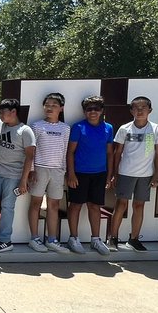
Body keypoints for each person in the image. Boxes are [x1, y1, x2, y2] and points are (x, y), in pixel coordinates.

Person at [106, 97, 158, 253]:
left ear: (150, 110)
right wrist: (115, 174)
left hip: (146, 175)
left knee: (139, 206)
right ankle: (113, 238)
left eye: (143, 107)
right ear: (131, 111)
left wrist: (157, 174)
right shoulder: (125, 129)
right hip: (126, 173)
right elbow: (117, 153)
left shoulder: (157, 129)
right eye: (136, 108)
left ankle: (134, 239)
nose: (140, 111)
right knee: (121, 204)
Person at [0, 99, 35, 252]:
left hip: (14, 176)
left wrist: (23, 181)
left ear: (13, 112)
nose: (0, 115)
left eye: (3, 112)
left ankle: (5, 240)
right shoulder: (0, 124)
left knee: (7, 207)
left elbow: (30, 157)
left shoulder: (25, 131)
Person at [65, 95, 114, 255]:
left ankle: (95, 239)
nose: (93, 112)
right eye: (89, 109)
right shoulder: (78, 127)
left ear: (102, 111)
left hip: (99, 174)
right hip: (79, 173)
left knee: (95, 206)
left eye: (96, 109)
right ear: (84, 111)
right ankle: (73, 238)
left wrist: (109, 175)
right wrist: (71, 174)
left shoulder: (108, 128)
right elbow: (70, 152)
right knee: (75, 206)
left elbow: (109, 153)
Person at [27, 93, 71, 254]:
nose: (50, 108)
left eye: (54, 105)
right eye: (47, 105)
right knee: (36, 203)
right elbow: (31, 151)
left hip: (57, 171)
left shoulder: (66, 128)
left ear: (61, 108)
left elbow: (65, 151)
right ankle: (34, 238)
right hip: (40, 168)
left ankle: (52, 238)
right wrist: (31, 170)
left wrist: (64, 171)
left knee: (53, 205)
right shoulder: (36, 126)